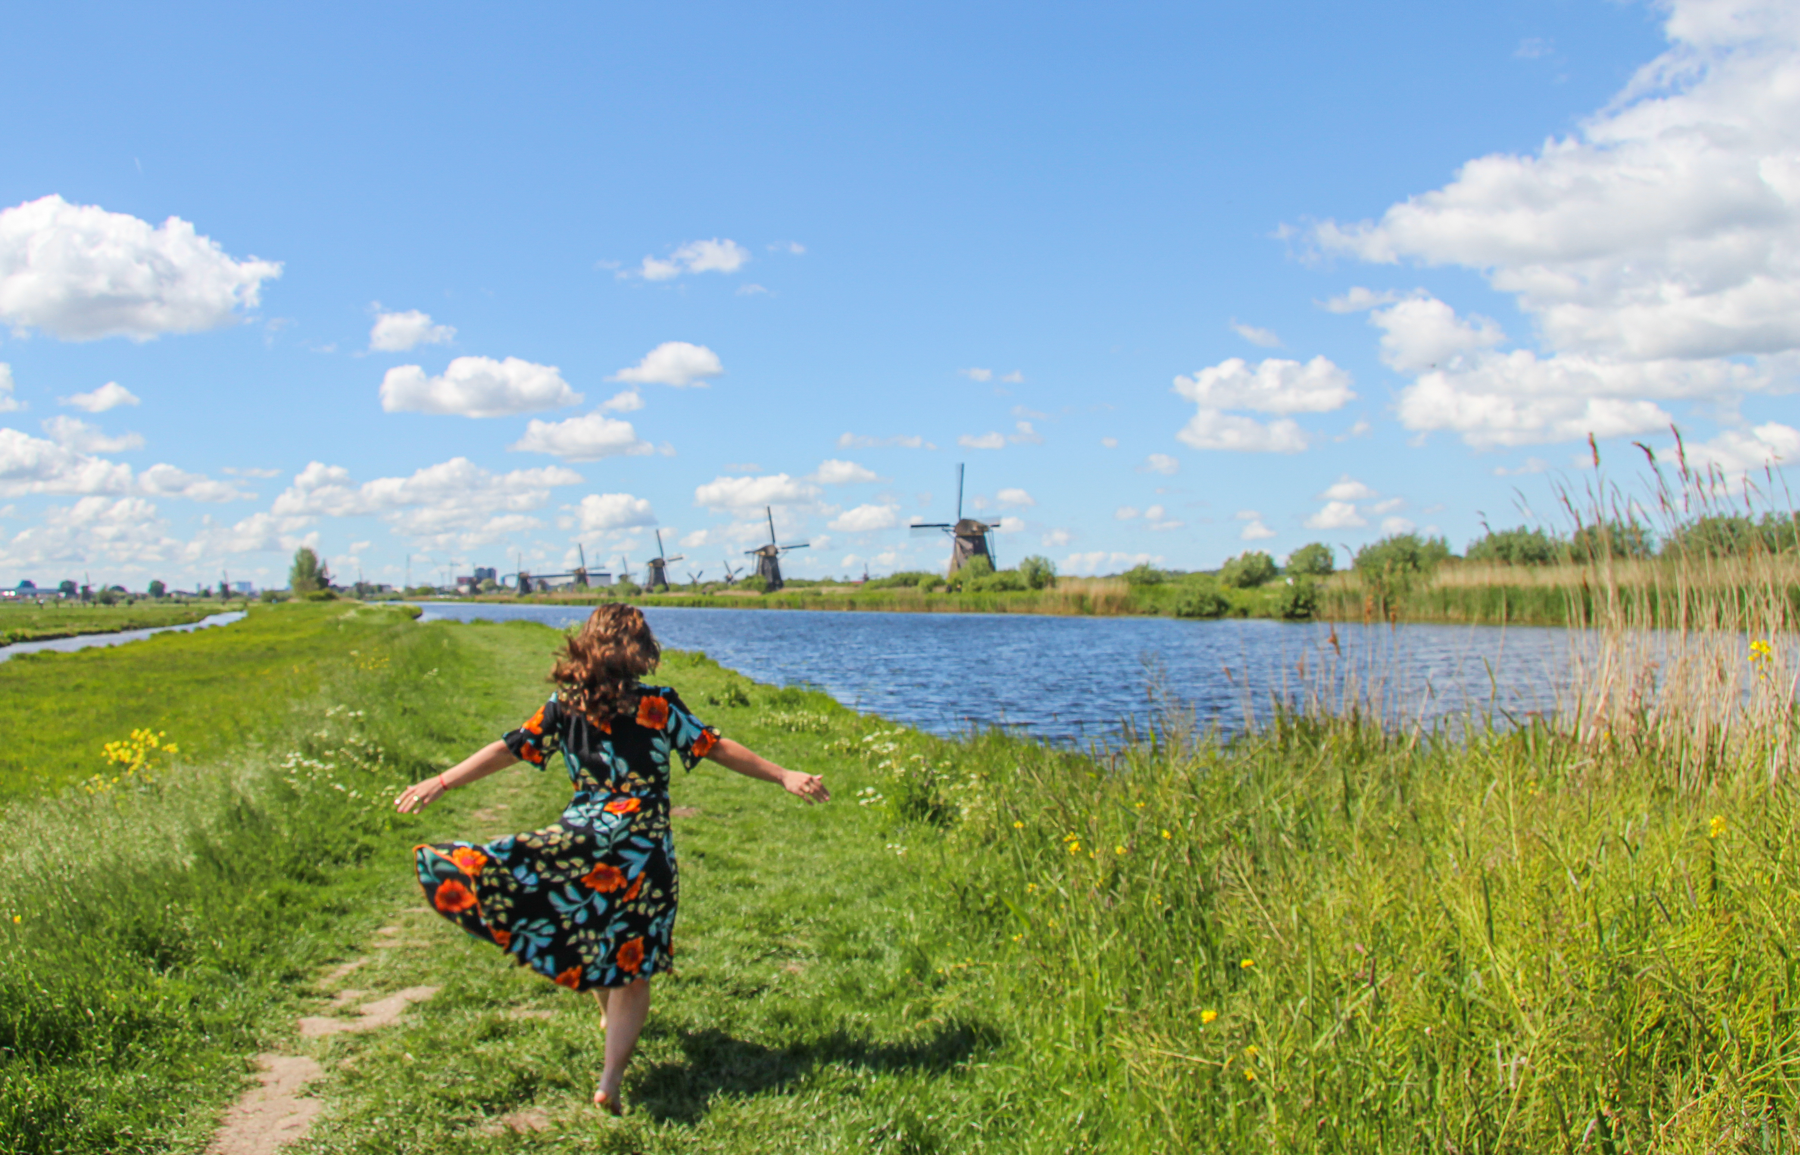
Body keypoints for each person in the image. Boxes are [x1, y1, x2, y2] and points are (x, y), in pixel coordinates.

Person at [394, 604, 829, 1114]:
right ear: (639, 650)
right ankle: (610, 1080)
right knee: (632, 963)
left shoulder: (564, 705)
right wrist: (783, 774)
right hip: (644, 848)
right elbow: (713, 746)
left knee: (592, 937)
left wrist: (441, 781)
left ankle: (606, 1022)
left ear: (589, 645)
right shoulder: (658, 705)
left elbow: (510, 748)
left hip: (585, 841)